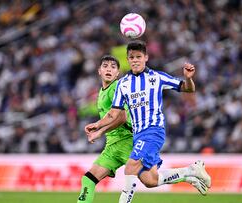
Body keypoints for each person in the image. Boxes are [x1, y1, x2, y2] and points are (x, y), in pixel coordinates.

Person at [85, 40, 211, 202]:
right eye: (131, 57)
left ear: (146, 58)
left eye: (138, 56)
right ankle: (190, 171)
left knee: (130, 167)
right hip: (138, 135)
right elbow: (113, 113)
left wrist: (188, 78)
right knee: (150, 180)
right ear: (128, 59)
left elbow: (187, 88)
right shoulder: (123, 84)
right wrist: (97, 126)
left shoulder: (156, 77)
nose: (135, 60)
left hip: (153, 131)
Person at [77, 55, 133, 203]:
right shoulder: (102, 92)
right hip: (113, 145)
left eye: (113, 67)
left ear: (117, 73)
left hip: (127, 141)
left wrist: (100, 131)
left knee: (151, 179)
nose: (109, 69)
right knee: (88, 179)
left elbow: (122, 118)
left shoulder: (115, 88)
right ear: (99, 71)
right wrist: (102, 132)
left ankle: (186, 173)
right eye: (105, 66)